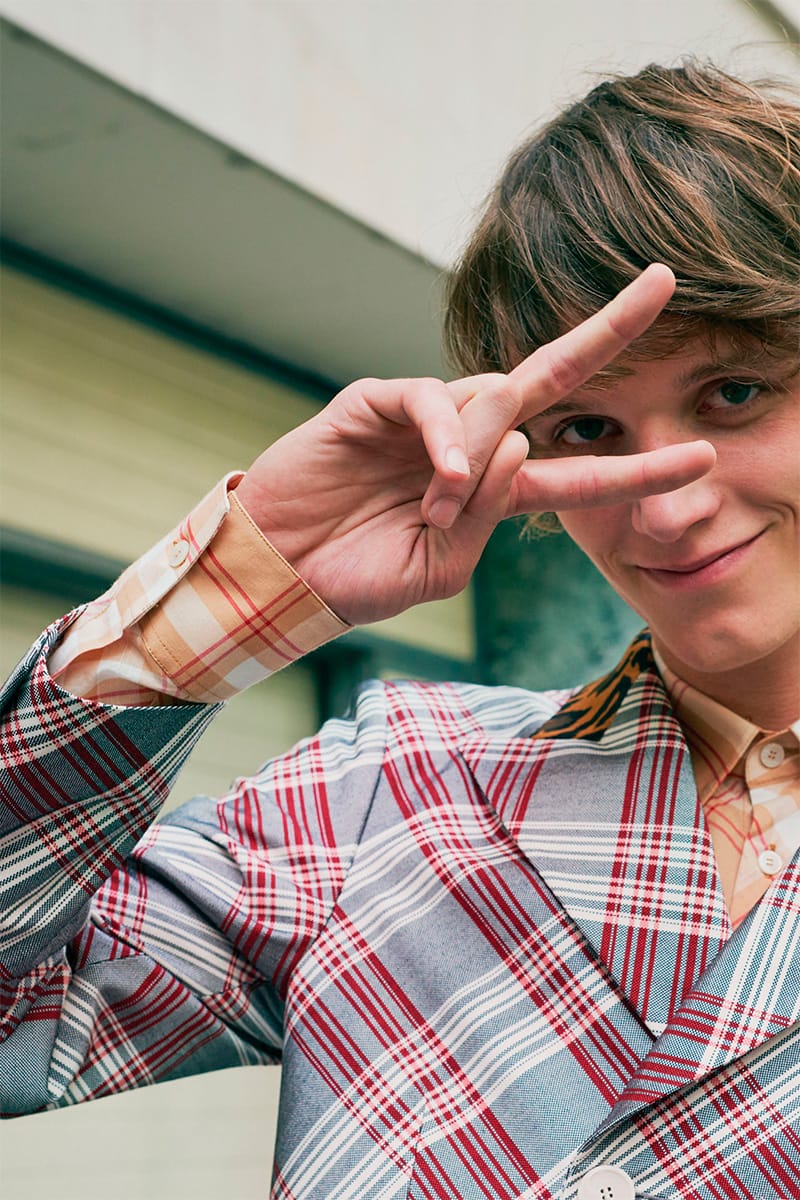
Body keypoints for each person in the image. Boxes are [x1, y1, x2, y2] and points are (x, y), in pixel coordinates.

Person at [1, 59, 798, 1200]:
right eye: (586, 427)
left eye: (735, 393)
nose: (664, 506)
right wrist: (234, 587)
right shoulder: (391, 786)